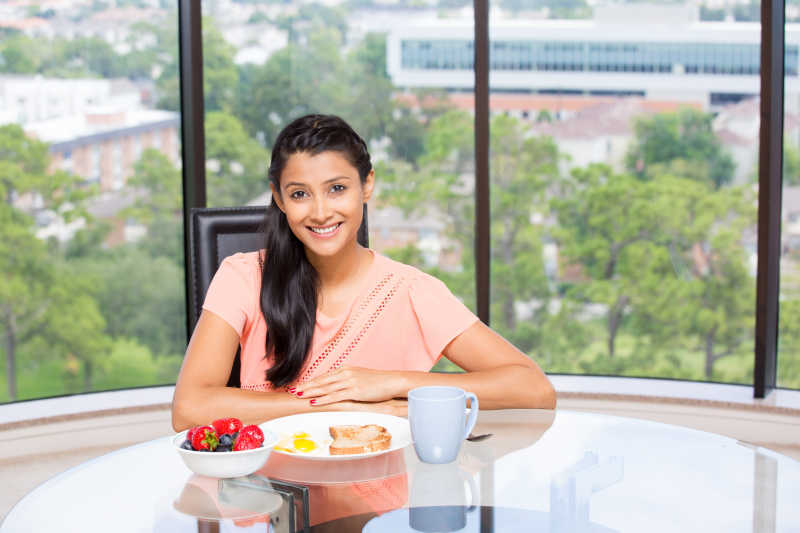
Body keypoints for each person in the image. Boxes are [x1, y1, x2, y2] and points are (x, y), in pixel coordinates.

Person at [172, 114, 555, 431]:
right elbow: (189, 408)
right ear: (278, 198)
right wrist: (337, 408)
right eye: (300, 194)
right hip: (268, 498)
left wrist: (394, 387)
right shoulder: (242, 277)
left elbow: (533, 388)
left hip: (385, 500)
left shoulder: (410, 290)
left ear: (366, 185)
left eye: (336, 188)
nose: (320, 212)